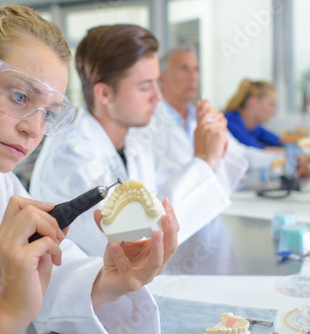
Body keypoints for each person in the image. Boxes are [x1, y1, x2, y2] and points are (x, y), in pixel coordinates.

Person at [0, 6, 180, 333]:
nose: (34, 130)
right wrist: (7, 313)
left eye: (49, 114)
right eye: (20, 95)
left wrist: (108, 281)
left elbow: (49, 276)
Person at [30, 25, 244, 256]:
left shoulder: (134, 144)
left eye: (156, 83)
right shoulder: (70, 157)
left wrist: (214, 147)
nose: (158, 96)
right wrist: (203, 160)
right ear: (104, 94)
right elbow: (132, 245)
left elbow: (178, 192)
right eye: (145, 86)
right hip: (85, 290)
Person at [132, 46, 282, 172]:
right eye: (184, 69)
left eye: (196, 70)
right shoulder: (148, 122)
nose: (193, 77)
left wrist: (286, 159)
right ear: (162, 79)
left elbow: (239, 153)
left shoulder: (205, 116)